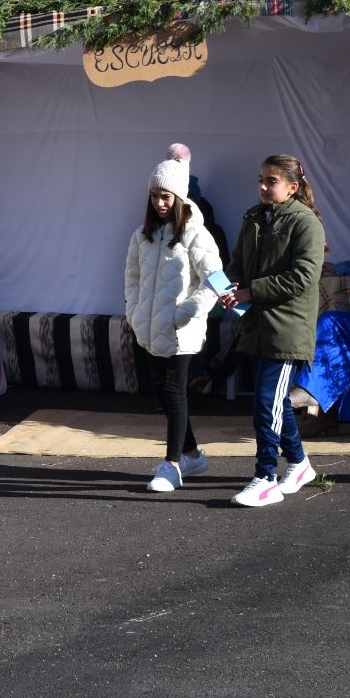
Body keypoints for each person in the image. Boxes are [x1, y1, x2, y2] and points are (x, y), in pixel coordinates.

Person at [218, 154, 325, 508]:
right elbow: (238, 263)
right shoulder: (252, 217)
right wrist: (231, 287)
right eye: (261, 179)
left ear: (293, 187)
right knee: (273, 402)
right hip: (257, 325)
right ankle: (298, 463)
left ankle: (265, 477)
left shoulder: (305, 222)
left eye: (272, 181)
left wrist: (252, 291)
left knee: (266, 403)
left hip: (287, 329)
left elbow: (303, 277)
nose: (263, 187)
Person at [124, 144, 223, 493]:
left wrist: (186, 312)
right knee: (162, 396)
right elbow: (132, 279)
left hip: (183, 330)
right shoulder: (141, 236)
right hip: (149, 329)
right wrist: (135, 314)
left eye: (166, 197)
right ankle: (193, 454)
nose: (159, 204)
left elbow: (216, 279)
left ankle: (172, 465)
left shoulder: (196, 233)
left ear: (180, 197)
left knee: (175, 392)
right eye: (154, 196)